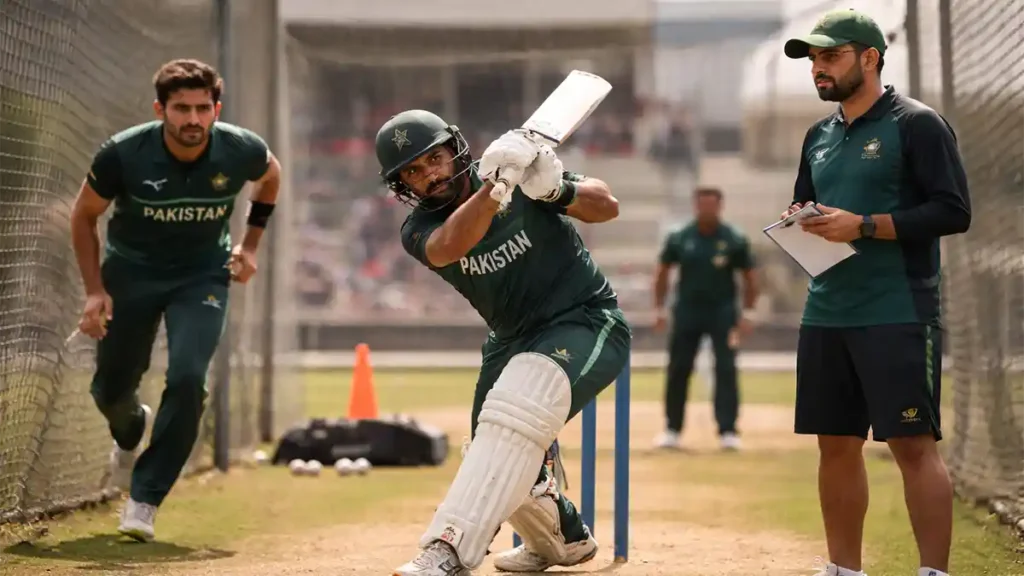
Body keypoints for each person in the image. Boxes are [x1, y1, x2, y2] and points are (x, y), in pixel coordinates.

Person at [374, 109, 631, 576]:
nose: (430, 174)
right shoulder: (419, 230)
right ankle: (564, 540)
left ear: (455, 150)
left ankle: (447, 551)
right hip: (511, 340)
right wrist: (497, 189)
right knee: (493, 455)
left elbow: (608, 207)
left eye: (435, 158)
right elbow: (451, 245)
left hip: (587, 320)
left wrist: (558, 190)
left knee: (511, 422)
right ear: (402, 186)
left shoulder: (525, 178)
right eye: (413, 170)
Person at [781, 9, 971, 576]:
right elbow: (807, 205)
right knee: (834, 445)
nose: (819, 69)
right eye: (813, 59)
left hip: (897, 311)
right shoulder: (819, 135)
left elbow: (953, 211)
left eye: (830, 56)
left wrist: (863, 225)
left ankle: (933, 572)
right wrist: (800, 219)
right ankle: (844, 570)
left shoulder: (918, 124)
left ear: (870, 57)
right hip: (826, 312)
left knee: (913, 446)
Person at [69, 58, 281, 542]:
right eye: (180, 108)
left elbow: (271, 178)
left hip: (202, 276)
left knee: (188, 378)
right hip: (131, 275)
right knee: (110, 390)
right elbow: (83, 217)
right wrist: (94, 291)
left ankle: (144, 498)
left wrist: (249, 247)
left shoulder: (240, 149)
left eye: (202, 108)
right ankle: (129, 433)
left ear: (216, 109)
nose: (192, 119)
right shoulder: (122, 154)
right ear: (159, 109)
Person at [651, 186, 758, 451]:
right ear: (696, 206)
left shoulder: (734, 238)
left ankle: (728, 431)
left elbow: (750, 278)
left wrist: (748, 313)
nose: (707, 210)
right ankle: (672, 429)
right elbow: (663, 273)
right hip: (687, 311)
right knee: (678, 368)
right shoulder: (680, 237)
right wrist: (659, 309)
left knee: (726, 368)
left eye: (712, 205)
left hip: (722, 313)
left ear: (720, 206)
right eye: (702, 205)